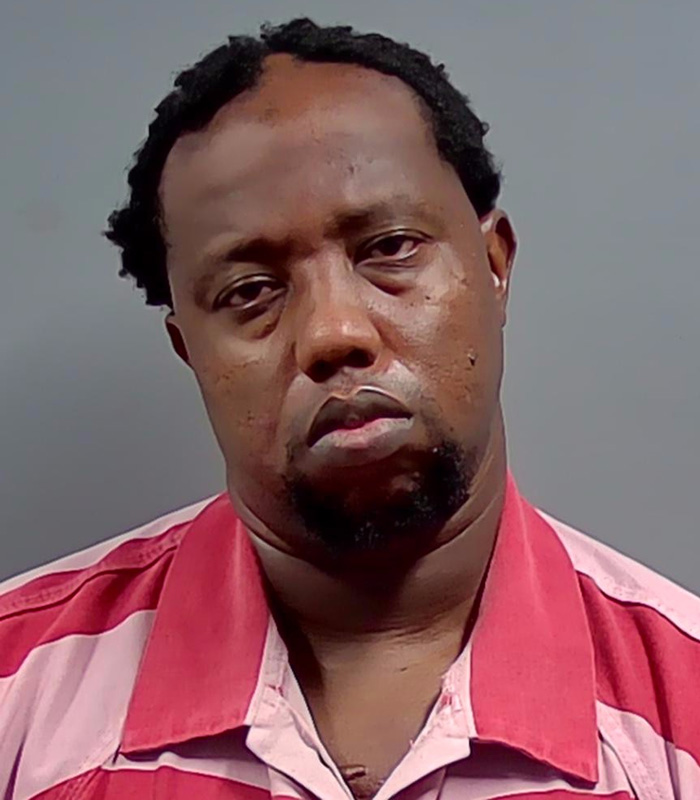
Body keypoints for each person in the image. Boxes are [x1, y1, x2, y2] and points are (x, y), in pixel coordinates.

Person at [1, 17, 698, 800]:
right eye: (250, 291)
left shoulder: (685, 702)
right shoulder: (16, 689)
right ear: (187, 349)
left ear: (494, 266)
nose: (334, 333)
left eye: (390, 248)